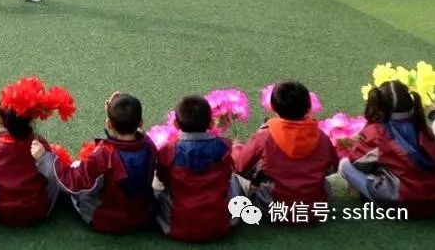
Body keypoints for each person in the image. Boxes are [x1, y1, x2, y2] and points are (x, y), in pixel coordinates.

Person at [31, 92, 156, 234]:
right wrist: (113, 107)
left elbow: (73, 183)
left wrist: (44, 158)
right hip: (142, 216)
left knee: (74, 172)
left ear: (108, 123)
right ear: (141, 123)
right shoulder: (149, 144)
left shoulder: (104, 155)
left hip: (106, 220)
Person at [233, 81, 337, 217]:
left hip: (273, 209)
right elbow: (334, 166)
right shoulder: (322, 137)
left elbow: (239, 167)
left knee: (233, 178)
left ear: (274, 108)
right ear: (308, 107)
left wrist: (236, 148)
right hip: (315, 210)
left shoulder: (264, 136)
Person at [0, 78, 72, 226]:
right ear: (30, 120)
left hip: (2, 213)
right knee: (51, 168)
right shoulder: (40, 144)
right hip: (39, 211)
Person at [339, 80, 435, 219]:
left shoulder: (377, 134)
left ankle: (364, 194)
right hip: (433, 197)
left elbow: (357, 163)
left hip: (402, 202)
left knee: (345, 165)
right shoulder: (422, 126)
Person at [156, 95, 240, 242]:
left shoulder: (168, 149)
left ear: (176, 124)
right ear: (211, 123)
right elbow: (229, 173)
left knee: (155, 186)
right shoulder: (225, 146)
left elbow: (162, 179)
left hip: (176, 226)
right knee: (234, 180)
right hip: (220, 225)